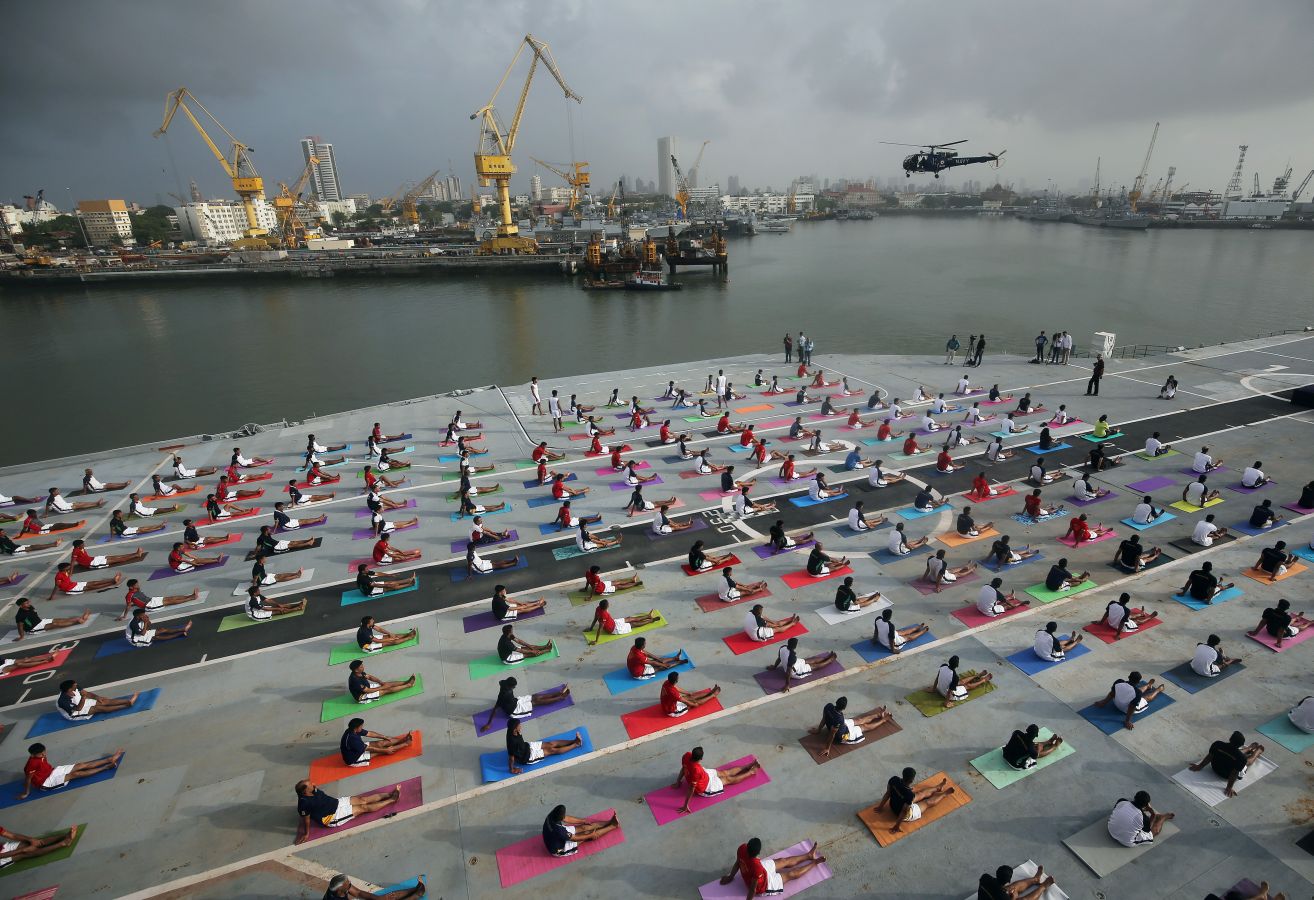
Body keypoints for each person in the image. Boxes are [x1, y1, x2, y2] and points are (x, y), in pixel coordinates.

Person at [294, 779, 400, 843]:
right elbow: (306, 819)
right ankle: (392, 799)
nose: (313, 783)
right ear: (305, 791)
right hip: (333, 816)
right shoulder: (304, 804)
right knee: (363, 808)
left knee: (363, 800)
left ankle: (390, 794)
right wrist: (306, 833)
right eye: (310, 784)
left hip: (337, 802)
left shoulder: (313, 789)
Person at [718, 837, 826, 897]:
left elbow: (738, 862)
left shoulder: (742, 848)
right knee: (790, 874)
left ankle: (809, 855)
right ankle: (814, 863)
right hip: (764, 886)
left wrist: (730, 877)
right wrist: (730, 877)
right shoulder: (756, 867)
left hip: (760, 870)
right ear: (758, 852)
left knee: (783, 861)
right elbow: (753, 889)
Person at [17, 743, 124, 800]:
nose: (44, 755)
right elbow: (28, 779)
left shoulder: (40, 755)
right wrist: (26, 793)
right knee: (75, 774)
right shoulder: (30, 765)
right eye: (41, 754)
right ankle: (106, 767)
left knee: (80, 765)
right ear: (33, 755)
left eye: (44, 752)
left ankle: (109, 760)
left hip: (52, 771)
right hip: (45, 783)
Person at [672, 746, 762, 813]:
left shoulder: (686, 756)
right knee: (728, 779)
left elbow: (683, 768)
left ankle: (749, 766)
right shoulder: (696, 770)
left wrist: (678, 781)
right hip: (706, 787)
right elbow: (691, 789)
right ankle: (751, 772)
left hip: (705, 774)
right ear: (701, 758)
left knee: (725, 773)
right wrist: (685, 805)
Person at [1188, 731, 1265, 799]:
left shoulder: (1218, 744)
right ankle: (1256, 752)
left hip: (1215, 767)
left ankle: (1250, 749)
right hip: (1226, 776)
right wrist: (1229, 787)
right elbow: (1234, 773)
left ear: (1230, 739)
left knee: (1234, 752)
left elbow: (1209, 756)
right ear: (1241, 745)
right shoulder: (1241, 758)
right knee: (1247, 762)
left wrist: (1200, 766)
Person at [877, 767, 958, 832]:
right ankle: (944, 794)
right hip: (902, 813)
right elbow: (903, 812)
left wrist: (880, 807)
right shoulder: (909, 795)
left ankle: (938, 788)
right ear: (912, 780)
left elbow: (887, 793)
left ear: (903, 774)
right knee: (927, 803)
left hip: (893, 805)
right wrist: (896, 826)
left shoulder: (894, 779)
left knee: (920, 794)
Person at [810, 696, 892, 756]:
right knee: (864, 726)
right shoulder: (839, 718)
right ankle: (884, 720)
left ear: (836, 702)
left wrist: (819, 730)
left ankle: (879, 715)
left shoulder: (829, 706)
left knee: (859, 720)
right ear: (844, 708)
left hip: (842, 725)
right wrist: (827, 748)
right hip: (843, 736)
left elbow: (824, 718)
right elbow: (832, 734)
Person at [1094, 671, 1167, 730]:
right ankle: (1158, 690)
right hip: (1125, 709)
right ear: (1138, 682)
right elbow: (1132, 707)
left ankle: (1148, 685)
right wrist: (1127, 721)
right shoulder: (1137, 693)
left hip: (1115, 702)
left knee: (1136, 692)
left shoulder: (1119, 682)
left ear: (1128, 677)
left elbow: (1112, 693)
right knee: (1145, 698)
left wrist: (1103, 702)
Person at [541, 804, 620, 857]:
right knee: (586, 832)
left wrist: (582, 821)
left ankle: (610, 821)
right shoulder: (559, 831)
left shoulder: (552, 815)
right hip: (559, 849)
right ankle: (613, 826)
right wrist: (590, 835)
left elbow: (566, 818)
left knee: (584, 827)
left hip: (555, 837)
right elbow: (575, 838)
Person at [340, 717, 416, 771]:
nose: (362, 727)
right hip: (354, 759)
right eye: (361, 726)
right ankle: (406, 743)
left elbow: (369, 733)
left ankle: (404, 739)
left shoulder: (353, 730)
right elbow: (370, 748)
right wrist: (385, 750)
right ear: (356, 728)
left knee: (380, 743)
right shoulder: (352, 739)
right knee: (382, 750)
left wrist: (384, 737)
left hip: (359, 747)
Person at [767, 637, 838, 692]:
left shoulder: (783, 647)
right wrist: (787, 685)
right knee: (815, 666)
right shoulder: (791, 656)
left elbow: (779, 658)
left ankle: (826, 657)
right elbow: (788, 672)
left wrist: (774, 666)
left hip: (795, 663)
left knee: (809, 660)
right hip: (795, 672)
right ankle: (830, 660)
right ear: (795, 646)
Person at [1107, 791, 1174, 847]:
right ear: (1146, 804)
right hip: (1126, 841)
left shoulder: (1121, 801)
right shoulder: (1144, 818)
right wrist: (1153, 814)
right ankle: (1163, 817)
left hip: (1111, 829)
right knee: (1154, 832)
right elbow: (1147, 831)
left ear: (1135, 797)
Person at [0, 823, 81, 868]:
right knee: (24, 854)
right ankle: (63, 843)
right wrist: (23, 850)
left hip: (2, 847)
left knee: (30, 843)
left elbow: (10, 835)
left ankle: (65, 836)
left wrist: (30, 840)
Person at [586, 598, 660, 645]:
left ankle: (648, 616)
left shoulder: (598, 608)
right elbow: (600, 628)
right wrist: (596, 640)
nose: (609, 605)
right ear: (606, 607)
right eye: (608, 604)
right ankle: (651, 620)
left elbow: (595, 618)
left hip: (613, 622)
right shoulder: (603, 615)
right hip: (614, 629)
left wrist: (591, 628)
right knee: (633, 624)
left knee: (630, 618)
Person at [56, 679, 138, 720]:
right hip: (74, 712)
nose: (76, 685)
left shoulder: (75, 687)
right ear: (70, 689)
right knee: (98, 708)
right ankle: (125, 706)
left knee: (104, 701)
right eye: (74, 685)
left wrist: (97, 697)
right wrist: (83, 697)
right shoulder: (62, 701)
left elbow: (87, 693)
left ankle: (128, 701)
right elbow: (78, 708)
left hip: (81, 702)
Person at [347, 659, 416, 703]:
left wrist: (381, 682)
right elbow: (367, 691)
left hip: (367, 687)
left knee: (387, 684)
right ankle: (409, 685)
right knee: (386, 690)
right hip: (362, 696)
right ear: (356, 670)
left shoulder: (360, 672)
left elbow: (370, 677)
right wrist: (383, 687)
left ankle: (406, 681)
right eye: (361, 667)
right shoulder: (354, 680)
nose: (363, 667)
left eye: (362, 665)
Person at [977, 863, 1056, 900]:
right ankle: (1044, 886)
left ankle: (1035, 879)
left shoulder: (985, 877)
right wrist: (1014, 897)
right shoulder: (1004, 897)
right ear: (1009, 880)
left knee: (1012, 888)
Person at [49, 561, 122, 599]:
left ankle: (112, 579)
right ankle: (112, 583)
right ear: (62, 569)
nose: (69, 569)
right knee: (92, 587)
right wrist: (52, 596)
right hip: (71, 589)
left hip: (74, 584)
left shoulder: (65, 572)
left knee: (93, 582)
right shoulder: (58, 576)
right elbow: (56, 586)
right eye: (67, 568)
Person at [125, 608, 191, 646]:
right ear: (138, 616)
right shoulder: (133, 623)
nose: (145, 615)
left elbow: (148, 628)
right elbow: (143, 634)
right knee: (156, 638)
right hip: (135, 639)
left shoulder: (141, 618)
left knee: (162, 629)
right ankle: (181, 634)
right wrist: (145, 623)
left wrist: (147, 621)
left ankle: (183, 629)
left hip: (142, 632)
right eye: (143, 615)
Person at [70, 537, 144, 571]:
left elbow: (80, 558)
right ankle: (137, 555)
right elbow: (73, 561)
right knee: (119, 560)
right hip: (93, 563)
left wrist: (80, 562)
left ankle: (135, 553)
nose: (84, 545)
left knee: (115, 556)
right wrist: (70, 572)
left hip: (93, 559)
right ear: (77, 546)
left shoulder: (81, 548)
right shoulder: (75, 551)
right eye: (82, 544)